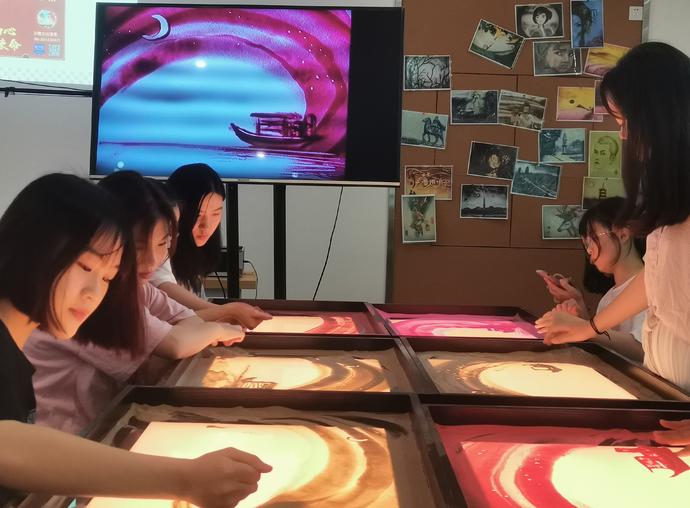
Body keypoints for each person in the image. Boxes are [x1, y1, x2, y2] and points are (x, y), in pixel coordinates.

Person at [0, 174, 269, 506]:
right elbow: (9, 444)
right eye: (86, 267)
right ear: (31, 245)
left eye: (109, 277)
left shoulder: (15, 353)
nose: (94, 293)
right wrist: (185, 480)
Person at [24, 171, 249, 434]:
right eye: (139, 246)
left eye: (164, 243)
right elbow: (165, 357)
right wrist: (218, 329)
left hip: (104, 424)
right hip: (75, 436)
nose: (153, 260)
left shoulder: (133, 285)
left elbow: (188, 322)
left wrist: (201, 330)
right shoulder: (94, 301)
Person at [536, 43, 690, 397]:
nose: (624, 135)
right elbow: (655, 278)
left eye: (625, 121)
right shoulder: (674, 198)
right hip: (669, 390)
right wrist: (588, 327)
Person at [152, 163, 271, 329]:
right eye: (198, 215)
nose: (206, 225)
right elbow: (164, 288)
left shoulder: (194, 255)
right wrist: (226, 312)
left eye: (216, 214)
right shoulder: (159, 248)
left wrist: (226, 313)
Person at [537, 198, 646, 362]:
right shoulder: (609, 297)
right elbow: (607, 345)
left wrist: (584, 328)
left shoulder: (650, 287)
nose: (589, 250)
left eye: (592, 239)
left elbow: (643, 350)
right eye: (585, 243)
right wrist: (578, 312)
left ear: (623, 234)